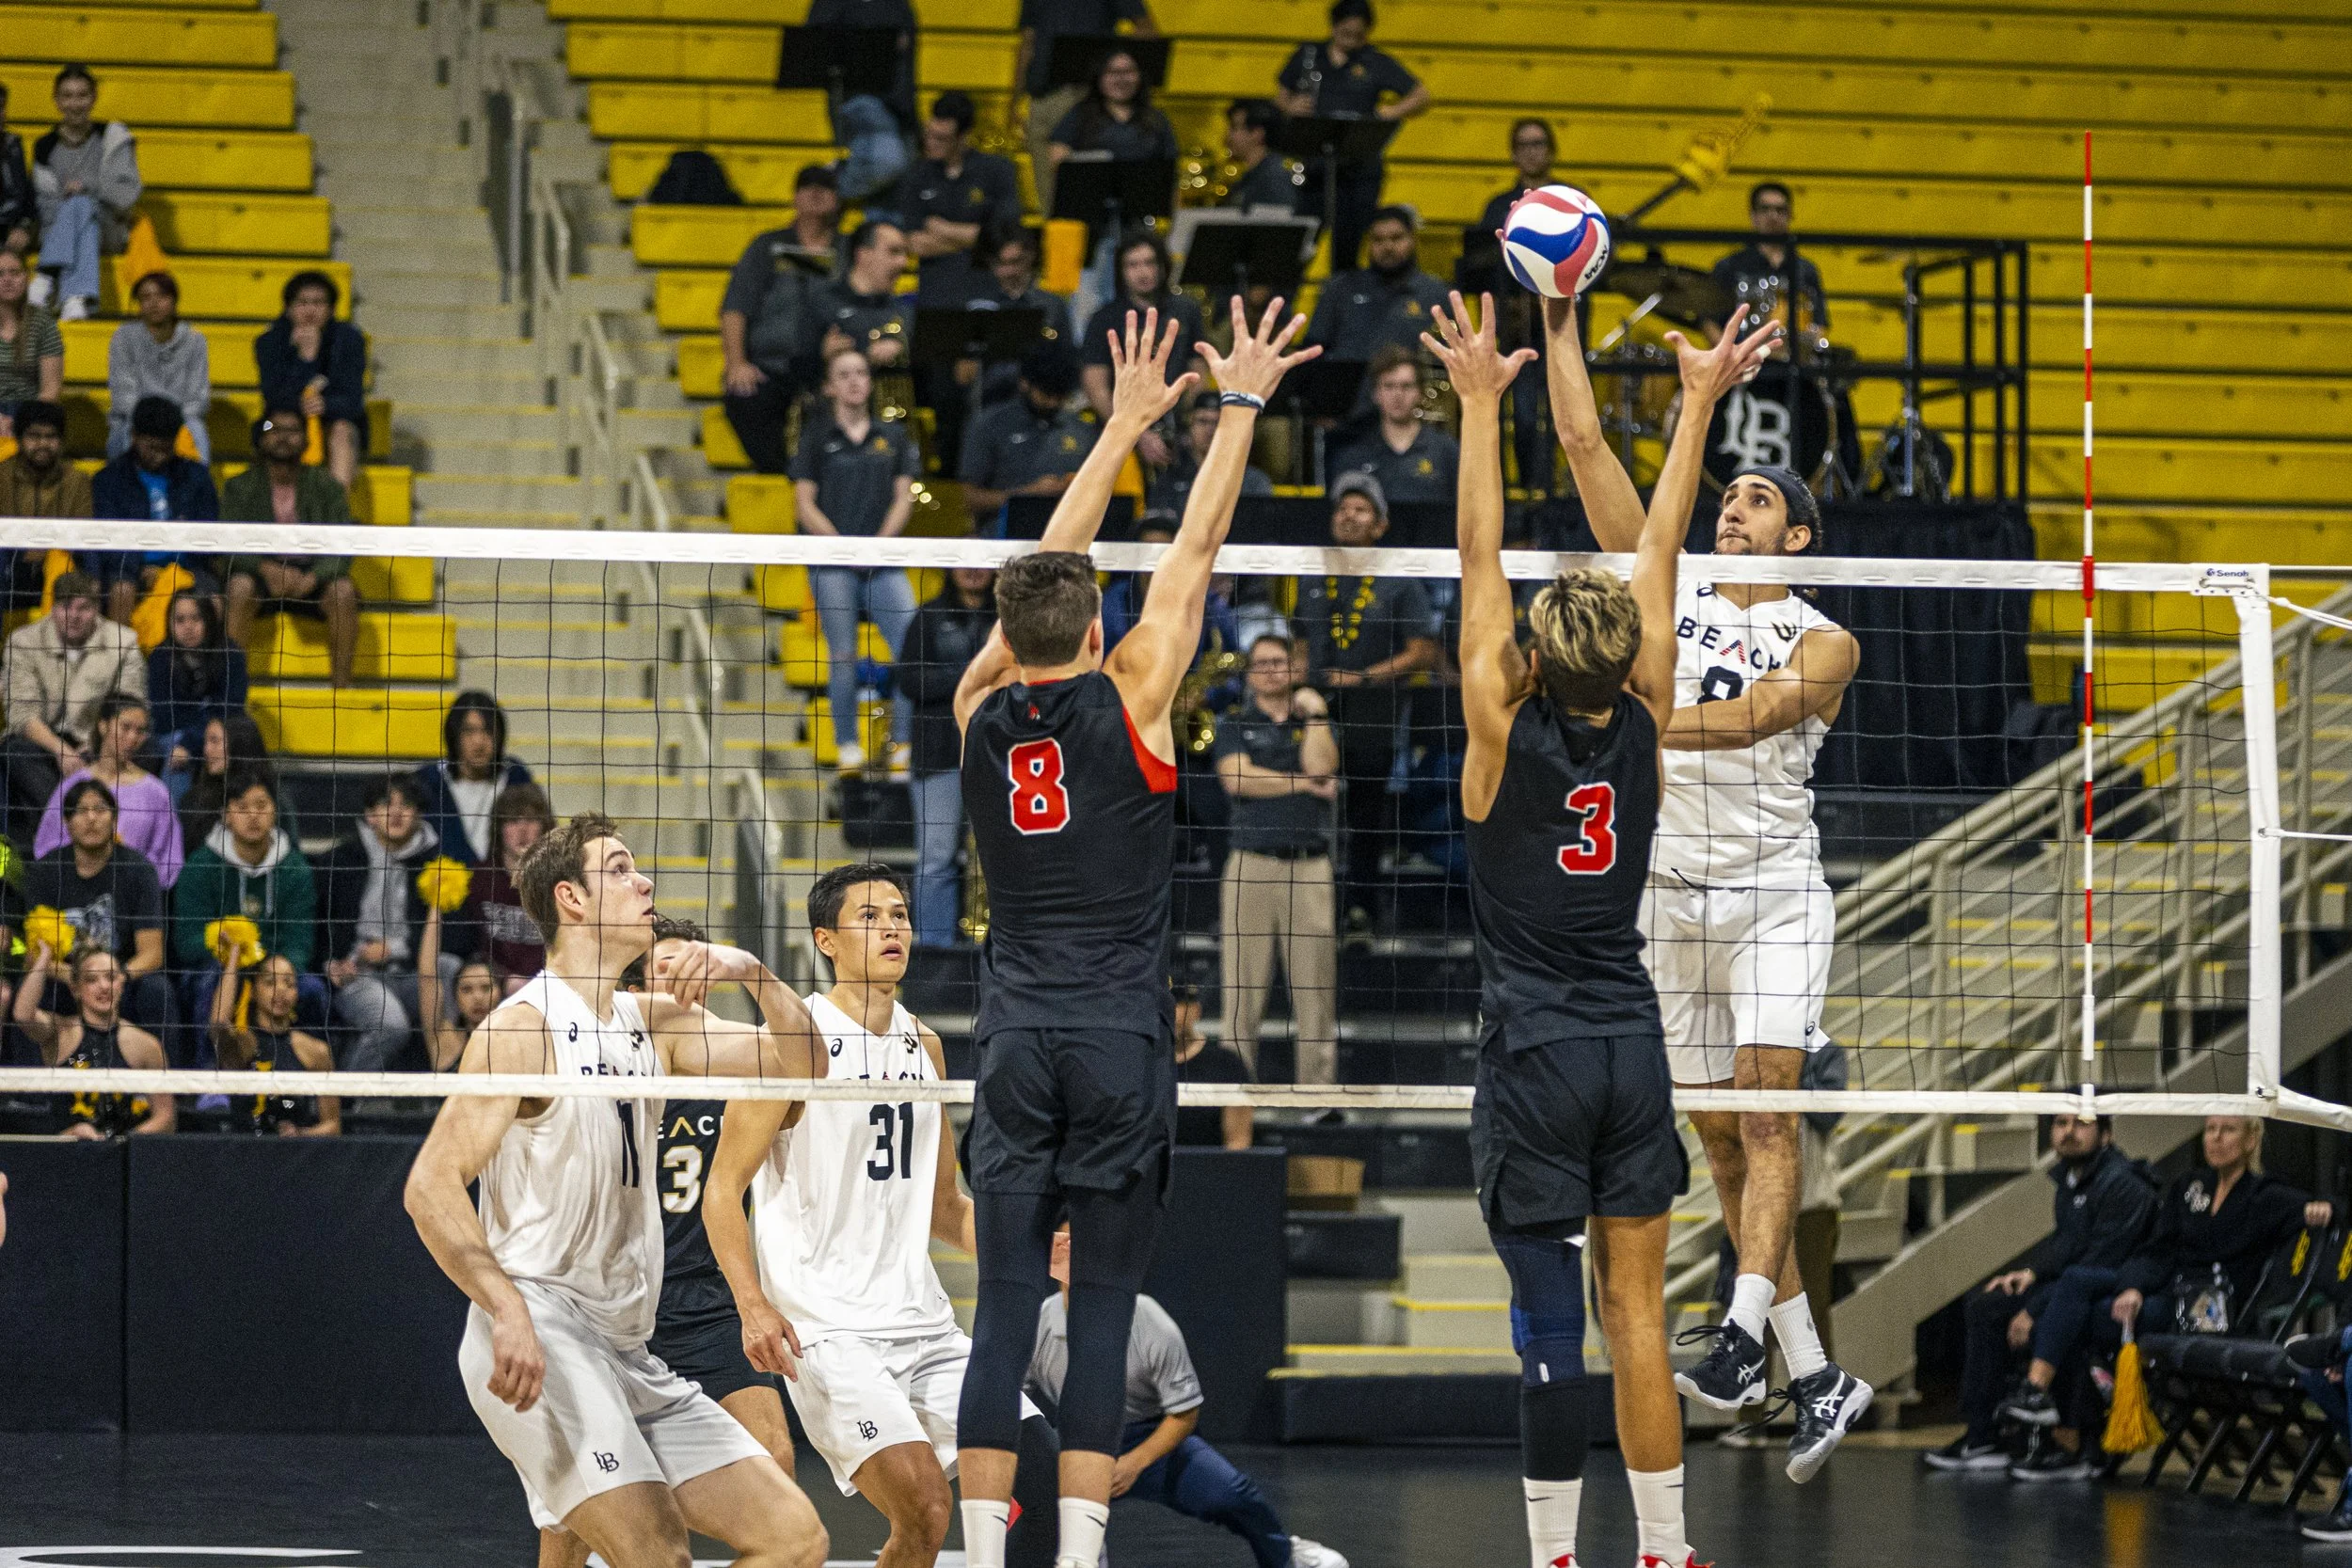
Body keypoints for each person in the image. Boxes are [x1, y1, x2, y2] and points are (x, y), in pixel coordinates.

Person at [949, 296, 1316, 1568]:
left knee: (1002, 1311)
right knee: (1098, 1309)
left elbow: (1039, 583)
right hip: (1117, 1035)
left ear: (1015, 633)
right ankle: (1085, 1549)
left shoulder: (977, 703)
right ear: (1096, 630)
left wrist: (1115, 432)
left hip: (1012, 1032)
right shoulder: (1139, 691)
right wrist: (1240, 406)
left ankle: (982, 1555)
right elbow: (1199, 544)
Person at [1425, 287, 1772, 1568]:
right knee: (1637, 1313)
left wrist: (1477, 406)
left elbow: (1476, 554)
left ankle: (1555, 1551)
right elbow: (1663, 548)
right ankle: (1669, 1549)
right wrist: (1695, 401)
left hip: (1531, 1052)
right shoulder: (1648, 715)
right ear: (1625, 659)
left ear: (1527, 657)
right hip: (1630, 1045)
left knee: (1547, 1326)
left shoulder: (1495, 729)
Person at [1549, 293, 1872, 1482]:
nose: (1733, 504)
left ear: (1795, 538)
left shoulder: (1822, 633)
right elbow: (1586, 448)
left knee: (1768, 1112)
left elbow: (1751, 719)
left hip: (1775, 891)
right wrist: (1560, 319)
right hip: (1663, 896)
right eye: (1727, 493)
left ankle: (1739, 1334)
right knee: (1724, 1151)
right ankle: (1815, 1369)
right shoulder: (1664, 582)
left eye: (1759, 498)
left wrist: (1629, 724)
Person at [402, 812, 829, 1568]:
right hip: (547, 1325)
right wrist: (506, 1309)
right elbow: (429, 1186)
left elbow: (804, 1065)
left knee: (795, 1540)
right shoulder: (521, 1029)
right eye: (622, 868)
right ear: (570, 897)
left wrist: (751, 972)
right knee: (657, 1552)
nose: (646, 881)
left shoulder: (649, 1021)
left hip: (628, 1343)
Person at [707, 865, 1059, 1568]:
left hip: (923, 1324)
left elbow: (944, 1206)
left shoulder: (922, 1045)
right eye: (871, 916)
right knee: (927, 1506)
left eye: (900, 913)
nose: (894, 926)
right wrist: (752, 1305)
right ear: (826, 940)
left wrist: (1027, 1254)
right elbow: (722, 1190)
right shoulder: (792, 1045)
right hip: (829, 1330)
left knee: (1042, 1463)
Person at [537, 913, 805, 1568]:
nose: (680, 976)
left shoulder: (733, 1065)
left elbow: (800, 1068)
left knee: (777, 1456)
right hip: (618, 1302)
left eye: (692, 963)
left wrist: (753, 969)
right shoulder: (605, 1058)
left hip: (707, 1301)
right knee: (570, 1520)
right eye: (664, 965)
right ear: (636, 986)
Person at [1997, 1116, 2332, 1477]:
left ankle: (2077, 1437)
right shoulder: (2189, 1187)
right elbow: (2158, 1250)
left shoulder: (2268, 1196)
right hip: (2171, 1292)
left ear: (2251, 1141)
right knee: (2080, 1288)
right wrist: (2134, 1288)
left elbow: (2334, 1210)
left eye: (2228, 1130)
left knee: (2089, 1318)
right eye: (2209, 1129)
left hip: (2213, 1310)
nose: (2216, 1138)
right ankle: (2045, 1402)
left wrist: (2324, 1206)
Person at [1028, 1229, 1339, 1568]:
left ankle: (1285, 1555)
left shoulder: (1149, 1321)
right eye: (1066, 1241)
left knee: (1232, 1495)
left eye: (1087, 1241)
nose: (1076, 1252)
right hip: (1078, 1440)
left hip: (1149, 1438)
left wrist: (1133, 1463)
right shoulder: (1039, 1324)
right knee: (1038, 1504)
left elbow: (1185, 1413)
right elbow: (1017, 1398)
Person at [1921, 1113, 2157, 1474]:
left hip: (2112, 1284)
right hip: (2076, 1279)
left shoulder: (2124, 1183)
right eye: (2061, 1124)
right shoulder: (2071, 1178)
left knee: (2060, 1314)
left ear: (2106, 1135)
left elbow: (2099, 1261)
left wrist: (2034, 1307)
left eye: (2080, 1124)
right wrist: (2030, 1274)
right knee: (1987, 1304)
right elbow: (2068, 1245)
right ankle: (1984, 1435)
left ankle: (2069, 1440)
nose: (2068, 1132)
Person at [1293, 473, 1438, 919]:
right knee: (1306, 801)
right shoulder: (1314, 570)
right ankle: (1311, 905)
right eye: (1343, 508)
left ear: (1381, 524)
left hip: (1374, 710)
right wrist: (1295, 685)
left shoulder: (1401, 579)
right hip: (1314, 706)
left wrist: (1363, 678)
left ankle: (1361, 907)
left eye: (1361, 509)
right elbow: (1299, 637)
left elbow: (1422, 652)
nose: (1348, 516)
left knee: (1366, 816)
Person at [1213, 633, 1338, 1085]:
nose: (1270, 670)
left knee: (1316, 990)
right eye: (1261, 663)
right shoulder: (1233, 723)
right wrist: (1304, 783)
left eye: (1279, 662)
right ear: (1249, 674)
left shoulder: (1313, 722)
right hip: (1251, 865)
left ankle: (1317, 1099)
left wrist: (1318, 712)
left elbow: (1323, 766)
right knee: (1241, 992)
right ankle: (1234, 1099)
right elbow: (1238, 779)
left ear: (1295, 669)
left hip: (1309, 866)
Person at [794, 345, 922, 773]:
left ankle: (902, 742)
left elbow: (904, 498)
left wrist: (877, 547)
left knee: (912, 648)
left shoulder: (895, 437)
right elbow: (804, 504)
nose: (854, 381)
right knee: (842, 653)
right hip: (831, 562)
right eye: (844, 374)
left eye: (861, 373)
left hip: (881, 561)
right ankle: (847, 744)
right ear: (830, 386)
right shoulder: (816, 436)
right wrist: (844, 548)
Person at [319, 773, 470, 1073]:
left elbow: (456, 935)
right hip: (360, 974)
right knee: (391, 1024)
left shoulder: (437, 862)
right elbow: (322, 922)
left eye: (407, 804)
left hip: (416, 971)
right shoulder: (343, 858)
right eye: (386, 803)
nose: (397, 812)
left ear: (419, 814)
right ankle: (347, 1102)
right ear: (370, 815)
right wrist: (331, 962)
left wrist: (394, 949)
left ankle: (449, 1074)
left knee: (452, 968)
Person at [172, 769, 323, 1056]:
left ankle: (299, 1076)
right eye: (242, 807)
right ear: (226, 814)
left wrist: (271, 969)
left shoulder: (295, 869)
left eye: (261, 806)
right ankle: (210, 1080)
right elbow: (187, 940)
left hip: (275, 965)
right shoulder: (200, 865)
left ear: (275, 812)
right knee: (210, 981)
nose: (253, 816)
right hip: (215, 965)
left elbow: (300, 943)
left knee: (312, 988)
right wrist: (228, 952)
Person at [1275, 1, 1428, 271]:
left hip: (1359, 171)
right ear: (1333, 27)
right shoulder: (1309, 55)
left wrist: (1390, 112)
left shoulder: (1374, 60)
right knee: (1295, 250)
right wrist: (1290, 107)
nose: (1351, 41)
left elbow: (1421, 96)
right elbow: (1281, 96)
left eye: (1358, 36)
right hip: (1314, 170)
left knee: (1347, 253)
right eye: (1345, 34)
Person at [24, 775, 175, 1045]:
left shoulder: (138, 870)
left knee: (157, 992)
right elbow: (32, 955)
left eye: (101, 810)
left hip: (123, 978)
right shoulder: (45, 872)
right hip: (65, 977)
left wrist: (114, 978)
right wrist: (77, 978)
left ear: (114, 819)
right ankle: (32, 1086)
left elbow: (152, 953)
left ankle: (164, 1083)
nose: (92, 818)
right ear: (67, 822)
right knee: (29, 992)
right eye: (81, 811)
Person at [220, 403, 360, 689]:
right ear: (261, 437)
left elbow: (343, 543)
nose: (283, 436)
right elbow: (227, 543)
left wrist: (313, 577)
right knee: (239, 587)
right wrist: (264, 567)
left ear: (307, 439)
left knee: (343, 591)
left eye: (292, 430)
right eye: (273, 429)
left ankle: (342, 691)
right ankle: (231, 693)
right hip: (260, 576)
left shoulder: (327, 486)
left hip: (310, 575)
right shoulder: (239, 487)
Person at [2, 571, 143, 852]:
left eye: (83, 608)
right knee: (13, 753)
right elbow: (21, 714)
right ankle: (65, 827)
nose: (74, 616)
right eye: (66, 607)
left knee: (144, 746)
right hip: (41, 744)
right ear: (53, 609)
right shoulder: (23, 641)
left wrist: (97, 747)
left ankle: (60, 834)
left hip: (99, 742)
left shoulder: (123, 642)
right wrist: (62, 751)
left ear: (97, 610)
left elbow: (128, 707)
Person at [720, 164, 843, 474]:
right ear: (795, 198)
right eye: (807, 186)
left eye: (825, 187)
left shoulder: (849, 251)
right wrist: (736, 363)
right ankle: (784, 476)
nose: (815, 193)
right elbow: (736, 307)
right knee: (745, 400)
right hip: (771, 366)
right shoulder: (767, 247)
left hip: (829, 368)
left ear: (838, 199)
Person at [900, 567, 996, 948]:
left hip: (995, 756)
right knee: (936, 858)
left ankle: (997, 950)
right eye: (964, 561)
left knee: (998, 859)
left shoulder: (1008, 620)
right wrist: (974, 676)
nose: (973, 570)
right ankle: (933, 951)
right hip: (937, 756)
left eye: (981, 562)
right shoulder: (928, 616)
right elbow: (909, 680)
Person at [13, 942, 173, 1137]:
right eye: (91, 980)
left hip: (125, 1155)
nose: (104, 986)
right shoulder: (61, 1034)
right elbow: (23, 1015)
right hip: (67, 1151)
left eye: (111, 977)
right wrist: (44, 958)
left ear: (122, 982)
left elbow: (166, 1118)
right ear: (75, 989)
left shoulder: (145, 1045)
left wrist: (120, 1142)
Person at [1015, 0, 1159, 214]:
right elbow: (1027, 42)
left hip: (1085, 97)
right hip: (1044, 96)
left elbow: (1146, 29)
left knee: (1087, 194)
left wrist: (1112, 71)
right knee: (1050, 199)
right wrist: (1016, 99)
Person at [1076, 229, 1203, 470]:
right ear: (1121, 272)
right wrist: (1135, 433)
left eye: (1149, 262)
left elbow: (1198, 372)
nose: (1143, 272)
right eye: (1132, 265)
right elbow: (1096, 387)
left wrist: (1189, 425)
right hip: (1120, 428)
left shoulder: (1186, 310)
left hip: (1177, 425)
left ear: (1163, 266)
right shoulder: (1104, 319)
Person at [87, 395, 221, 626]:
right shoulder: (109, 480)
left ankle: (213, 662)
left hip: (186, 566)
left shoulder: (196, 477)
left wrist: (172, 570)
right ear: (134, 436)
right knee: (121, 590)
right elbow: (107, 539)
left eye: (165, 448)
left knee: (215, 599)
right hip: (130, 569)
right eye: (151, 447)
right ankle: (121, 660)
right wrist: (139, 568)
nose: (158, 455)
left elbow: (209, 535)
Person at [34, 693, 181, 887]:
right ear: (103, 726)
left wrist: (139, 883)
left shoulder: (156, 792)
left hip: (132, 894)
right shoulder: (73, 785)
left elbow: (168, 858)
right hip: (74, 891)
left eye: (140, 731)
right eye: (125, 727)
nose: (132, 738)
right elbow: (47, 845)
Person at [31, 64, 141, 323]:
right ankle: (76, 299)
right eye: (67, 96)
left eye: (82, 95)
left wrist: (87, 188)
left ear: (94, 98)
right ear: (56, 101)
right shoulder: (45, 147)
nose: (75, 104)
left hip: (111, 228)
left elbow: (126, 195)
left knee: (81, 203)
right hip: (60, 231)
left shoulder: (112, 136)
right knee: (81, 214)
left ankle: (46, 273)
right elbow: (45, 210)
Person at [894, 91, 1022, 309]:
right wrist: (972, 240)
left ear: (963, 137)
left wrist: (939, 227)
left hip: (986, 288)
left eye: (941, 138)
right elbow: (914, 242)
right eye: (929, 134)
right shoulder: (917, 175)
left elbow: (1003, 236)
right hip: (935, 290)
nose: (930, 143)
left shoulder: (997, 170)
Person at [960, 346, 1095, 536]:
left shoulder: (1082, 429)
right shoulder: (990, 424)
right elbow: (967, 496)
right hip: (1004, 537)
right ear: (1025, 384)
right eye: (1046, 394)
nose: (1053, 402)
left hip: (1068, 535)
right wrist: (1026, 494)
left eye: (1060, 395)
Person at [253, 269, 368, 488]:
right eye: (302, 302)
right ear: (288, 308)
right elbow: (273, 398)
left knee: (343, 431)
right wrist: (306, 359)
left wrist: (325, 405)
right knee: (271, 428)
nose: (310, 310)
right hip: (276, 421)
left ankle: (335, 511)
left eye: (318, 303)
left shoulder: (349, 340)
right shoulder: (269, 342)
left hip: (332, 420)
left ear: (332, 309)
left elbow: (353, 400)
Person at [208, 946, 341, 1137]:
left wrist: (300, 1134)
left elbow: (333, 1126)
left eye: (289, 983)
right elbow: (219, 1023)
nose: (281, 990)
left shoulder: (315, 1051)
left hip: (293, 1156)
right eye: (270, 982)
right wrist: (234, 956)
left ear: (297, 993)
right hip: (244, 1152)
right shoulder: (243, 1043)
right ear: (252, 991)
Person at [1302, 207, 1450, 375]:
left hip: (1410, 395)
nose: (1388, 246)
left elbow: (1447, 359)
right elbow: (1313, 349)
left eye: (1397, 238)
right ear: (1369, 244)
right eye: (1378, 240)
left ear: (1413, 239)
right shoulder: (1340, 288)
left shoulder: (1435, 294)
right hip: (1348, 394)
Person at [804, 0, 916, 200]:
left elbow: (907, 69)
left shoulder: (898, 5)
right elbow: (816, 48)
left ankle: (828, 187)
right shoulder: (832, 6)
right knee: (890, 164)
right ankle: (824, 192)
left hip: (899, 108)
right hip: (859, 103)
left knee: (900, 192)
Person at [414, 691, 535, 868]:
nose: (479, 741)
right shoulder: (429, 781)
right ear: (454, 735)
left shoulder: (516, 778)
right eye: (469, 731)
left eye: (488, 731)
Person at [148, 589, 247, 799]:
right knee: (173, 753)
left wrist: (191, 743)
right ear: (170, 623)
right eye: (180, 620)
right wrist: (191, 738)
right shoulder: (160, 657)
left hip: (219, 734)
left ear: (209, 620)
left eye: (196, 618)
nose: (188, 627)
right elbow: (165, 717)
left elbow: (230, 709)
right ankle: (178, 824)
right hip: (175, 737)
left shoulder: (232, 655)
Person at [1329, 345, 1457, 506]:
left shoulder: (1446, 452)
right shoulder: (1353, 457)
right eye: (1389, 386)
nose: (1398, 395)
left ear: (1420, 392)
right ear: (1376, 393)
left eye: (1406, 386)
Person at [1099, 513, 1239, 658]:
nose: (1155, 559)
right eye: (1148, 550)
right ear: (1136, 555)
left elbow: (1232, 653)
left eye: (1162, 551)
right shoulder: (1113, 602)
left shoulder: (1207, 601)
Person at [461, 781, 556, 990]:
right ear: (499, 828)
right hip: (491, 987)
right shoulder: (479, 879)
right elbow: (468, 946)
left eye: (531, 820)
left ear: (544, 826)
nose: (523, 829)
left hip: (550, 986)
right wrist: (502, 979)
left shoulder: (559, 882)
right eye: (513, 820)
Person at [106, 271, 211, 461]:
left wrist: (171, 422)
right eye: (146, 297)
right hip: (134, 418)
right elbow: (122, 394)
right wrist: (147, 420)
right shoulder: (123, 338)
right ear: (138, 304)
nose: (154, 303)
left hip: (181, 420)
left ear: (174, 301)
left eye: (162, 296)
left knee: (197, 433)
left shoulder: (195, 340)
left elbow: (197, 397)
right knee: (121, 435)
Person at [0, 400, 90, 619]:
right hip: (10, 568)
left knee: (64, 565)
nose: (42, 444)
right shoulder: (2, 476)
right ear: (20, 439)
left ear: (61, 441)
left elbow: (84, 539)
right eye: (34, 436)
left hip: (60, 571)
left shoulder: (77, 481)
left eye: (50, 437)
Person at [799, 219, 914, 388]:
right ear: (863, 255)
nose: (903, 262)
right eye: (894, 252)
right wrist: (822, 356)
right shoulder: (823, 303)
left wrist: (903, 349)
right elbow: (794, 368)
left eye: (905, 254)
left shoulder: (905, 312)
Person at [1711, 182, 1829, 335]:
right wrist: (1729, 356)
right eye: (1765, 209)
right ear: (1753, 215)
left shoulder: (1806, 270)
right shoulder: (1728, 266)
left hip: (1792, 357)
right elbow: (1709, 321)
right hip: (1741, 356)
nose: (1773, 216)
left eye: (1780, 210)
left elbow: (1819, 323)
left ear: (1790, 215)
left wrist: (1804, 352)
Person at [1047, 46, 1178, 169]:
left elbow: (1170, 172)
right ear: (1099, 77)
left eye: (1128, 72)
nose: (1121, 79)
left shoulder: (1156, 118)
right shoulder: (1080, 114)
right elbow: (1057, 159)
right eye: (1112, 72)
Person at [1146, 389, 1274, 515]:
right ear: (1190, 427)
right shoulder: (1170, 479)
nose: (1210, 430)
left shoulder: (1252, 481)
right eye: (1202, 421)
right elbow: (1158, 529)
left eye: (1217, 422)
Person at [1168, 981, 1252, 1150]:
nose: (1172, 1012)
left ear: (1196, 1010)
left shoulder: (1227, 1064)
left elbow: (1238, 1141)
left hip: (1211, 1168)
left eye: (1179, 1004)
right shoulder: (1140, 1063)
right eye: (1165, 1003)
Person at [418, 905, 502, 1071]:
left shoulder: (514, 1040)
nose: (477, 997)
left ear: (500, 993)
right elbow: (427, 979)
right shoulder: (445, 1039)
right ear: (455, 996)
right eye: (467, 990)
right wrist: (436, 906)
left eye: (486, 988)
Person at [176, 709, 274, 850]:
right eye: (206, 742)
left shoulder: (272, 798)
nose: (206, 750)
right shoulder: (193, 800)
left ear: (240, 742)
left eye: (215, 741)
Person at [0, 248, 64, 432]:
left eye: (15, 273)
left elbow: (51, 389)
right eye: (0, 274)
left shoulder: (42, 321)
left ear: (26, 277)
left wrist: (21, 422)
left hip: (31, 412)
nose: (7, 280)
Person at [1222, 99, 1301, 215]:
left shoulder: (1274, 179)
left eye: (1235, 127)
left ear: (1257, 133)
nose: (1228, 135)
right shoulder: (1253, 176)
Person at [0, 83, 33, 258]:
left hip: (8, 231)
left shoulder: (12, 146)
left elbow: (27, 198)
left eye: (1, 107)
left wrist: (23, 227)